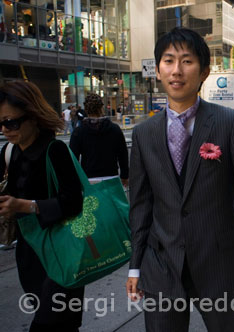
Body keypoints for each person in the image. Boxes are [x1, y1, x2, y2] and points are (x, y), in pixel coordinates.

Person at [125, 27, 234, 332]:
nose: (177, 71)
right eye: (168, 61)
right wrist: (135, 265)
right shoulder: (144, 134)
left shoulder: (227, 122)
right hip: (161, 264)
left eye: (187, 61)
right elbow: (141, 206)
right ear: (158, 70)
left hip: (217, 262)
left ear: (205, 71)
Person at [0, 81, 84, 331]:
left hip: (62, 253)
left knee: (48, 325)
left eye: (11, 122)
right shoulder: (9, 152)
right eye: (0, 123)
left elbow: (73, 202)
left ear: (33, 117)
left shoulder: (54, 150)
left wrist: (25, 206)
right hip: (30, 254)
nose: (5, 129)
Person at [69, 93, 129, 186]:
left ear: (86, 109)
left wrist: (75, 180)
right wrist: (124, 175)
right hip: (112, 176)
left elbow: (73, 159)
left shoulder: (79, 132)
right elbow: (122, 154)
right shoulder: (114, 129)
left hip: (89, 178)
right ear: (101, 108)